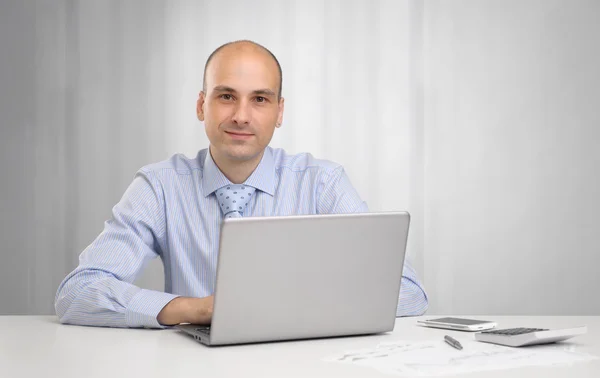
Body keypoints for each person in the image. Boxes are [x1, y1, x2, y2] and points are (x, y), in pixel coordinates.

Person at [55, 40, 428, 328]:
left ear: (279, 112)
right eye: (226, 96)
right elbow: (77, 293)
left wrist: (295, 307)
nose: (241, 116)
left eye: (260, 99)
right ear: (202, 105)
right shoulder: (160, 187)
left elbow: (409, 293)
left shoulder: (322, 183)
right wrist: (196, 309)